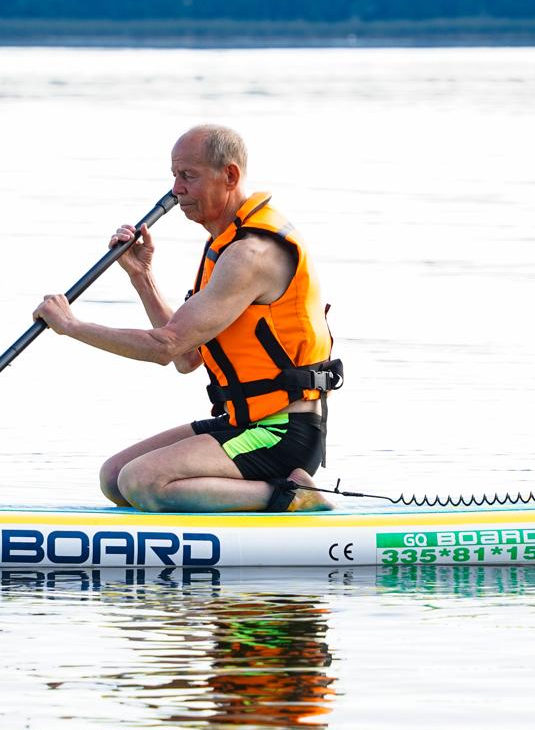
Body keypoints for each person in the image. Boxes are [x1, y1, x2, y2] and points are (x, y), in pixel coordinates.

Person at [33, 126, 342, 513]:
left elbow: (166, 347)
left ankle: (293, 496)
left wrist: (72, 327)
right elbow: (187, 358)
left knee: (142, 480)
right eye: (175, 176)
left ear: (229, 176)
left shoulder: (251, 256)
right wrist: (141, 276)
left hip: (280, 432)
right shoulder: (225, 246)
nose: (176, 189)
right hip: (243, 423)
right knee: (114, 477)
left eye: (188, 176)